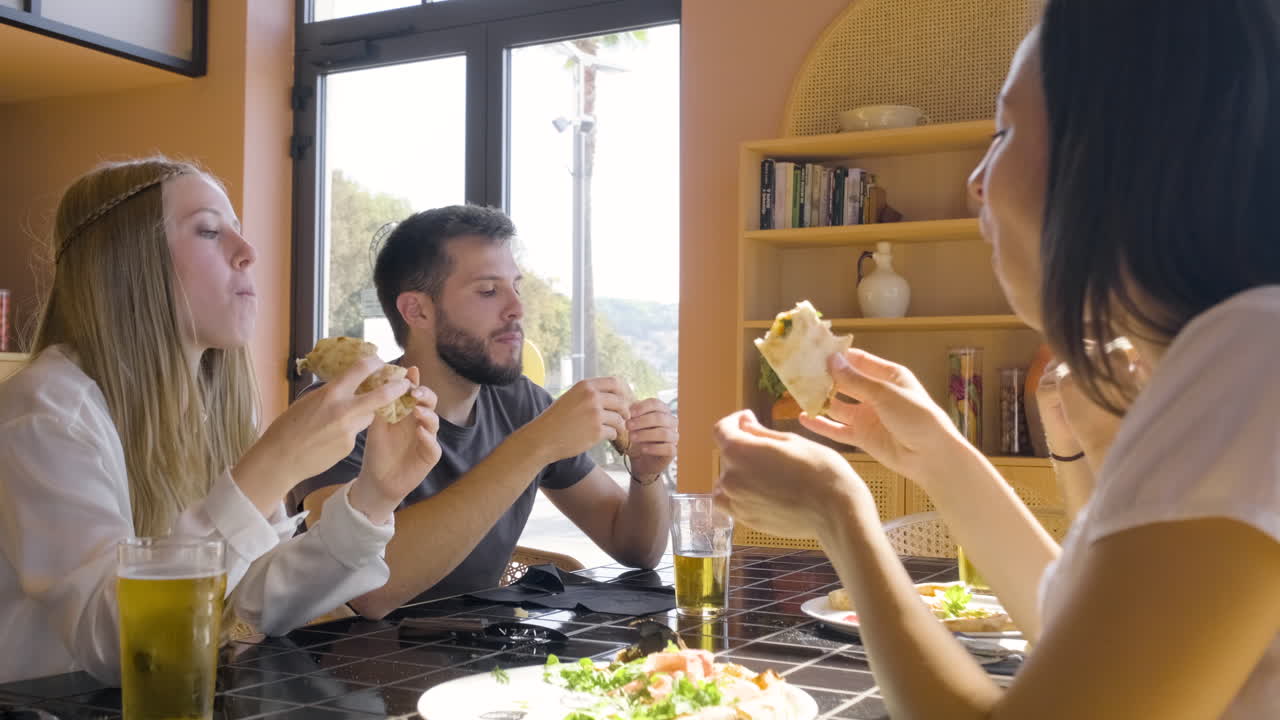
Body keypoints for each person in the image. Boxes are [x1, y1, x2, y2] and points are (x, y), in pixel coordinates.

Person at [713, 3, 1280, 717]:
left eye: (1005, 134)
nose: (977, 182)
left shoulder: (1252, 358)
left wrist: (840, 514)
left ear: (1113, 155)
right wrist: (938, 455)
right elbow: (1075, 645)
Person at [0, 158, 442, 684]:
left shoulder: (214, 411)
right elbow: (121, 647)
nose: (248, 251)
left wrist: (374, 498)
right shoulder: (45, 412)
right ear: (125, 261)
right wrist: (272, 467)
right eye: (210, 231)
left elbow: (257, 602)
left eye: (238, 230)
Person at [292, 205, 674, 617]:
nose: (517, 308)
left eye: (516, 287)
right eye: (489, 291)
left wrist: (646, 473)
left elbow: (635, 548)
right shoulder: (341, 411)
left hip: (483, 646)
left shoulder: (521, 403)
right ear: (417, 310)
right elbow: (368, 590)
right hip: (345, 653)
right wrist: (536, 445)